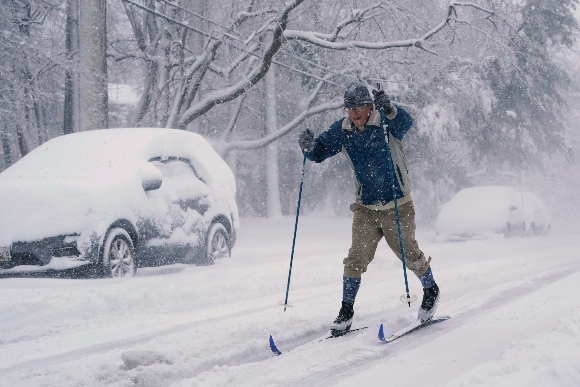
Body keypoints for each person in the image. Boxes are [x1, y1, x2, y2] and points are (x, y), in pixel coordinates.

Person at [298, 81, 440, 336]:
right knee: (355, 258)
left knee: (409, 253)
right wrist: (309, 148)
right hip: (365, 207)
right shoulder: (343, 130)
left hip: (398, 204)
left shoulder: (386, 121)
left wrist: (391, 108)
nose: (353, 114)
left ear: (369, 106)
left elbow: (406, 124)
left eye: (358, 107)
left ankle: (431, 289)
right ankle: (346, 310)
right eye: (349, 109)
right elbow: (320, 152)